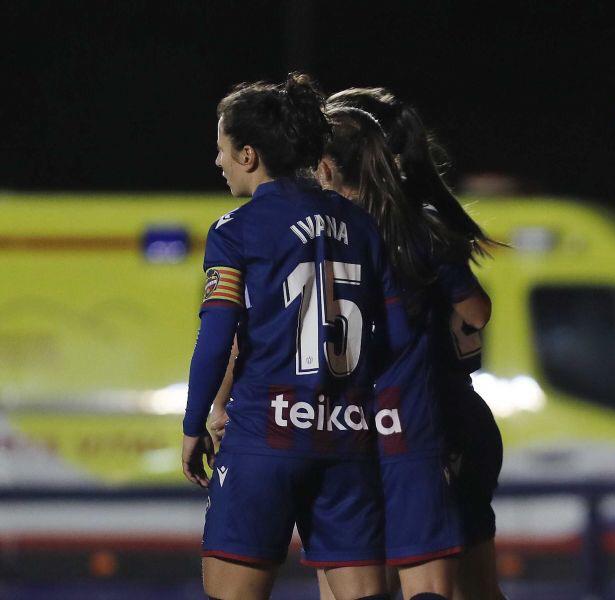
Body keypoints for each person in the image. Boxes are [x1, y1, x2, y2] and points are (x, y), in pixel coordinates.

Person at [181, 72, 408, 600]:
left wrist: (194, 424)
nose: (217, 161)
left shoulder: (235, 230)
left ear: (248, 155)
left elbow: (215, 338)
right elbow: (395, 337)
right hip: (346, 439)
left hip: (264, 437)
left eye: (222, 148)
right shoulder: (362, 225)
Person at [326, 88, 506, 600]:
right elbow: (477, 313)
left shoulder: (337, 233)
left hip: (410, 423)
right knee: (470, 586)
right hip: (434, 417)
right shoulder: (419, 224)